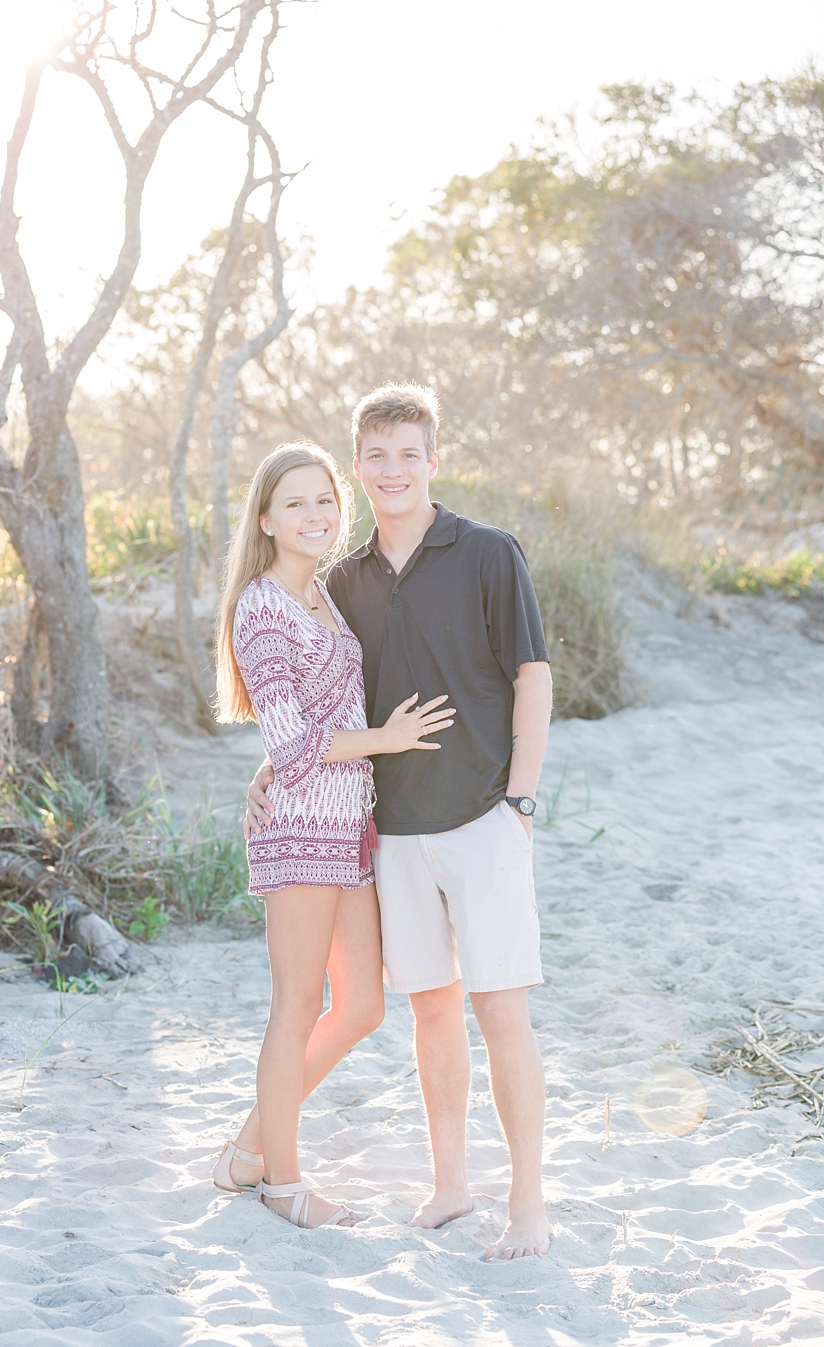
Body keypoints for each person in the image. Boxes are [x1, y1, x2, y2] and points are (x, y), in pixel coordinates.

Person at [246, 384, 554, 1261]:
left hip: (485, 814)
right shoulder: (341, 580)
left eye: (407, 452)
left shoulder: (490, 553)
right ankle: (451, 1184)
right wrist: (270, 767)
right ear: (357, 467)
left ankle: (526, 1204)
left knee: (502, 1012)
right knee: (430, 1013)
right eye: (375, 454)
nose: (393, 469)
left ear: (432, 459)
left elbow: (532, 678)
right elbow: (314, 698)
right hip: (393, 832)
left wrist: (522, 799)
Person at [211, 442, 454, 1230]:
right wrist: (386, 739)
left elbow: (321, 722)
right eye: (295, 504)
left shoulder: (322, 593)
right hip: (300, 830)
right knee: (297, 1004)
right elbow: (289, 743)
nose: (314, 515)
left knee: (360, 1006)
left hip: (349, 825)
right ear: (265, 518)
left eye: (324, 500)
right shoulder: (262, 607)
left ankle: (251, 1141)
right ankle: (282, 1180)